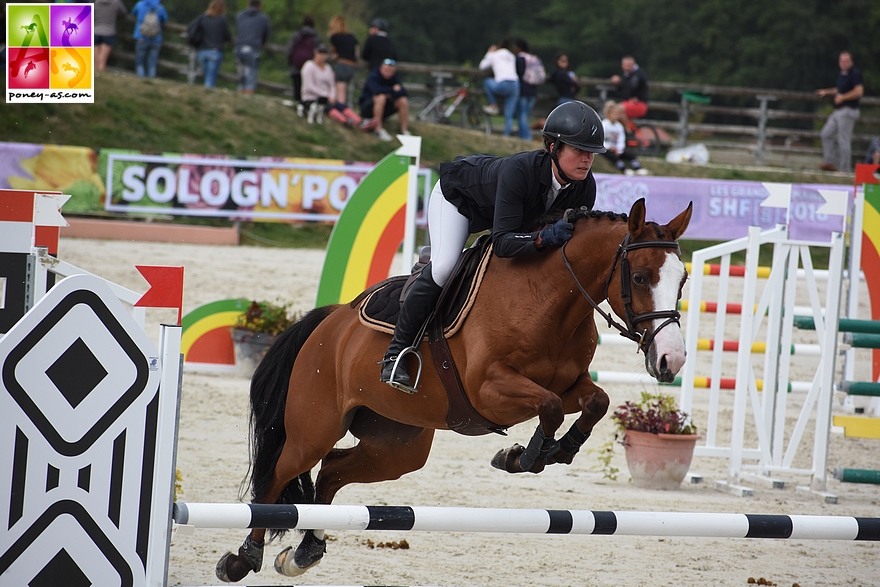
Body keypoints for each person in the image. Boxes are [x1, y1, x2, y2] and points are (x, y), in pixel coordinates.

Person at [379, 101, 606, 389]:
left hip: (504, 217)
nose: (587, 159)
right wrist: (542, 237)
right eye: (579, 151)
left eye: (591, 153)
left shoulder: (585, 186)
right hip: (458, 200)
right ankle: (395, 354)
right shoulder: (520, 171)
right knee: (445, 266)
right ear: (553, 148)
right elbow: (502, 242)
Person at [817, 51, 864, 172]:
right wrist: (826, 92)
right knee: (826, 134)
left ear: (851, 62)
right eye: (842, 61)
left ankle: (844, 169)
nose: (844, 63)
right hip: (838, 110)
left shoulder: (855, 74)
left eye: (846, 61)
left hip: (848, 110)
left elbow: (858, 91)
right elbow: (839, 89)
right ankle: (830, 162)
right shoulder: (842, 75)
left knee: (843, 140)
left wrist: (843, 97)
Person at [301, 43, 362, 127]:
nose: (322, 56)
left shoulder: (327, 68)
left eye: (324, 54)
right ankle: (345, 121)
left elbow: (332, 84)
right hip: (312, 97)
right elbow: (309, 86)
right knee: (329, 108)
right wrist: (325, 95)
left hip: (328, 97)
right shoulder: (309, 66)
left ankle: (357, 119)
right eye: (320, 54)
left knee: (340, 106)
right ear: (315, 53)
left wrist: (332, 95)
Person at [358, 58, 409, 141]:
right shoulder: (374, 76)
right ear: (381, 68)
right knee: (381, 97)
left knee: (402, 100)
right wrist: (392, 90)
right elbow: (376, 90)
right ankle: (378, 130)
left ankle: (404, 130)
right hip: (367, 107)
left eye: (391, 71)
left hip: (385, 107)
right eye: (386, 70)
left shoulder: (394, 78)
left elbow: (403, 92)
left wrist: (388, 92)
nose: (388, 73)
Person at [479, 40, 520, 137]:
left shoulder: (494, 54)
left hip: (503, 83)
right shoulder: (512, 56)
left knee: (487, 82)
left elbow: (482, 66)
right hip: (515, 84)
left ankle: (494, 105)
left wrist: (489, 52)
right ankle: (506, 136)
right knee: (508, 114)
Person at [600, 101, 647, 175]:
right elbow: (601, 139)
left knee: (630, 155)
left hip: (617, 149)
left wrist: (619, 149)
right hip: (606, 148)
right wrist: (609, 147)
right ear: (608, 114)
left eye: (617, 114)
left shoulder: (619, 126)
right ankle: (624, 169)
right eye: (614, 114)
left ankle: (637, 168)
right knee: (612, 156)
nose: (616, 116)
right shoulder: (604, 125)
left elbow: (621, 139)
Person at [234, 0, 270, 94]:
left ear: (248, 5)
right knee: (250, 77)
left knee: (241, 78)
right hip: (252, 48)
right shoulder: (263, 18)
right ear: (259, 6)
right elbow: (265, 35)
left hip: (239, 47)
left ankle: (239, 100)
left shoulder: (240, 15)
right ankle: (248, 101)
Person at [194, 0, 231, 88]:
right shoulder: (222, 19)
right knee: (210, 79)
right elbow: (227, 36)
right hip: (215, 51)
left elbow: (192, 28)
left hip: (202, 52)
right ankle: (207, 96)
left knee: (207, 76)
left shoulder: (203, 18)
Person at [287, 16, 321, 111]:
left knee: (297, 86)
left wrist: (290, 61)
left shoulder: (297, 34)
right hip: (310, 66)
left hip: (296, 65)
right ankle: (307, 106)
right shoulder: (316, 37)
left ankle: (298, 105)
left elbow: (290, 49)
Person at [131, 0, 168, 78]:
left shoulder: (140, 4)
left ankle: (141, 79)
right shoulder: (160, 8)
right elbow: (165, 19)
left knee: (139, 62)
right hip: (156, 39)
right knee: (152, 63)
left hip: (141, 37)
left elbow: (133, 13)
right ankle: (151, 81)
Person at [328, 15, 359, 106]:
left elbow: (334, 53)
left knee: (341, 90)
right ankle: (350, 110)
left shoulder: (334, 37)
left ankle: (341, 109)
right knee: (350, 91)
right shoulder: (351, 37)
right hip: (352, 65)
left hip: (342, 64)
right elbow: (357, 52)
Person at [513, 38, 539, 141]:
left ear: (518, 48)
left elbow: (519, 73)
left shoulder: (520, 58)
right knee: (525, 115)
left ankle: (526, 138)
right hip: (533, 91)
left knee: (522, 116)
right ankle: (524, 136)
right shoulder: (533, 58)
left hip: (523, 91)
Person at [610, 56, 649, 122]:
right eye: (625, 65)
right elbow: (623, 90)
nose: (626, 67)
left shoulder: (639, 74)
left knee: (618, 109)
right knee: (613, 110)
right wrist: (619, 82)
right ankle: (626, 127)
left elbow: (637, 87)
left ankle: (627, 130)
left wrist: (637, 97)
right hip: (628, 102)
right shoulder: (626, 75)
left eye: (629, 65)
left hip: (639, 104)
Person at [93, 0, 127, 72]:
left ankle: (95, 76)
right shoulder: (116, 2)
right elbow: (124, 12)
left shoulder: (97, 2)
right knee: (102, 60)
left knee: (96, 59)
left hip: (96, 31)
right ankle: (101, 76)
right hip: (109, 32)